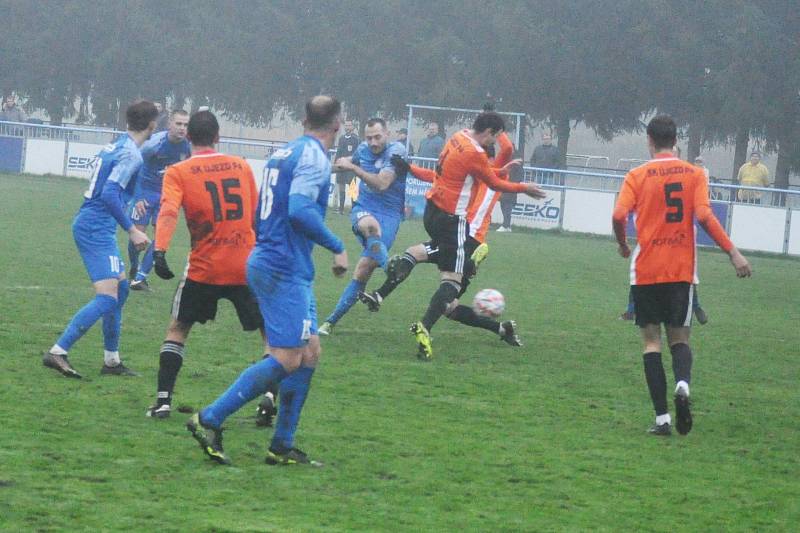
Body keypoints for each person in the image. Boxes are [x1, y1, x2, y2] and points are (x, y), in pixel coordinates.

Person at [186, 96, 348, 466]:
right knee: (287, 358)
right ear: (337, 123)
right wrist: (337, 246)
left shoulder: (283, 153)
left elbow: (262, 214)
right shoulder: (314, 158)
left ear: (305, 118)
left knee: (308, 354)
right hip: (282, 267)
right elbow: (300, 210)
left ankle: (282, 445)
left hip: (280, 262)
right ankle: (208, 418)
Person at [611, 114, 751, 437]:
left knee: (650, 343)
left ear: (649, 141)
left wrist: (622, 243)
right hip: (680, 271)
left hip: (646, 271)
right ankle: (683, 385)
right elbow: (703, 215)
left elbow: (619, 214)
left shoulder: (636, 175)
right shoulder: (694, 174)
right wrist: (732, 251)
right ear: (676, 141)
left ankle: (662, 420)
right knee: (680, 339)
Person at [142, 110, 264, 419]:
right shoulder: (241, 165)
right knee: (271, 333)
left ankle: (163, 400)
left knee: (178, 328)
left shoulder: (178, 171)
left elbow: (168, 211)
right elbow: (256, 215)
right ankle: (269, 400)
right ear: (218, 137)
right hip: (245, 264)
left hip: (205, 267)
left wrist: (160, 251)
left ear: (190, 138)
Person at [359, 131, 524, 347]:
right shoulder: (469, 172)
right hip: (456, 233)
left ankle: (422, 327)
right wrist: (409, 169)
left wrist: (495, 129)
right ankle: (502, 329)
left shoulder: (493, 172)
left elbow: (508, 150)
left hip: (468, 238)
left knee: (447, 299)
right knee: (437, 287)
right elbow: (435, 176)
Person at [403, 112, 545, 360]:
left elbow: (483, 172)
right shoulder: (476, 156)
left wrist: (500, 168)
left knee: (447, 297)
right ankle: (425, 325)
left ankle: (500, 328)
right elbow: (494, 182)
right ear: (489, 133)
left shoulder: (459, 137)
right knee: (451, 286)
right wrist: (525, 188)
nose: (495, 143)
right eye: (495, 137)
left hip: (433, 214)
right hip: (457, 225)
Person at [41, 101, 157, 378]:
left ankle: (112, 362)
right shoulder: (132, 154)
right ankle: (58, 351)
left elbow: (114, 185)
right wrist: (132, 228)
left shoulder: (117, 144)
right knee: (107, 298)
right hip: (95, 228)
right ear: (151, 125)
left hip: (96, 225)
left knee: (122, 289)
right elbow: (108, 193)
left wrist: (134, 200)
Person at [318, 118, 407, 335]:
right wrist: (318, 171)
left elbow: (383, 184)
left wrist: (354, 168)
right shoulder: (363, 149)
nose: (373, 142)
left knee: (362, 271)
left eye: (377, 137)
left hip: (391, 215)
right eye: (369, 138)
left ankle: (330, 322)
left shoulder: (397, 152)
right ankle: (391, 269)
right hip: (364, 207)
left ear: (387, 133)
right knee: (370, 226)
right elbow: (347, 162)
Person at [128, 110, 191, 291]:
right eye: (179, 124)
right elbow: (134, 167)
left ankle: (140, 278)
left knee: (161, 237)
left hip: (167, 196)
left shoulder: (188, 147)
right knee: (137, 239)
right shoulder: (154, 143)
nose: (182, 128)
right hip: (145, 192)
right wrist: (137, 196)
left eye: (186, 125)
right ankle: (134, 266)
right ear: (169, 124)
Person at [334, 119, 359, 214]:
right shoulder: (341, 138)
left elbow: (357, 154)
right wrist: (336, 162)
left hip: (351, 167)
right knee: (341, 186)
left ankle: (353, 209)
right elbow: (339, 152)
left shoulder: (356, 139)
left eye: (349, 125)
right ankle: (341, 209)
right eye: (346, 125)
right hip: (341, 166)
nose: (347, 127)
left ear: (353, 127)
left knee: (352, 188)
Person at [497, 147, 524, 232]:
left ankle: (505, 225)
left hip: (511, 187)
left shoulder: (517, 162)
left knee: (507, 207)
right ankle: (507, 226)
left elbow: (520, 175)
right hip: (504, 186)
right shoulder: (505, 160)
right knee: (503, 205)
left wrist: (513, 184)